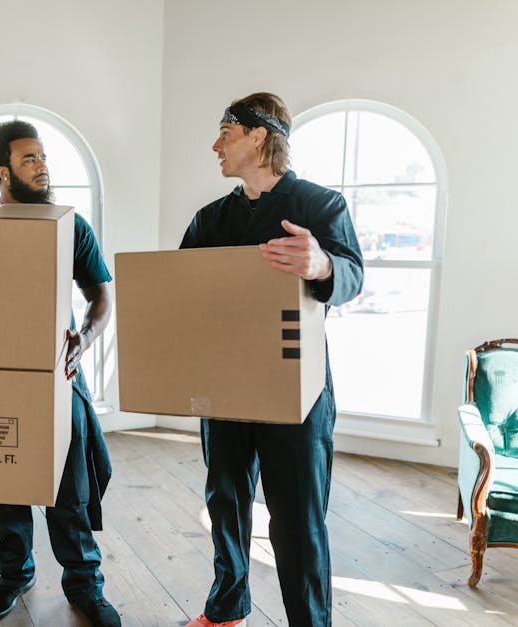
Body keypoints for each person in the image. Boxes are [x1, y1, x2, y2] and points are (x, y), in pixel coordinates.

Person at [181, 93, 364, 627]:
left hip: (297, 388)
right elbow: (181, 292)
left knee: (298, 519)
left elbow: (352, 277)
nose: (215, 145)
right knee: (225, 500)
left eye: (225, 133)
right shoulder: (210, 219)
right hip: (225, 383)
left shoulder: (319, 205)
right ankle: (227, 606)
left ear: (258, 137)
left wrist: (322, 262)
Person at [0, 120, 120, 627]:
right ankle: (14, 573)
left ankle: (85, 585)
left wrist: (86, 336)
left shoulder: (70, 226)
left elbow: (102, 295)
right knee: (5, 482)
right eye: (29, 159)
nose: (43, 166)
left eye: (43, 157)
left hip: (57, 377)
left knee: (69, 489)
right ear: (3, 171)